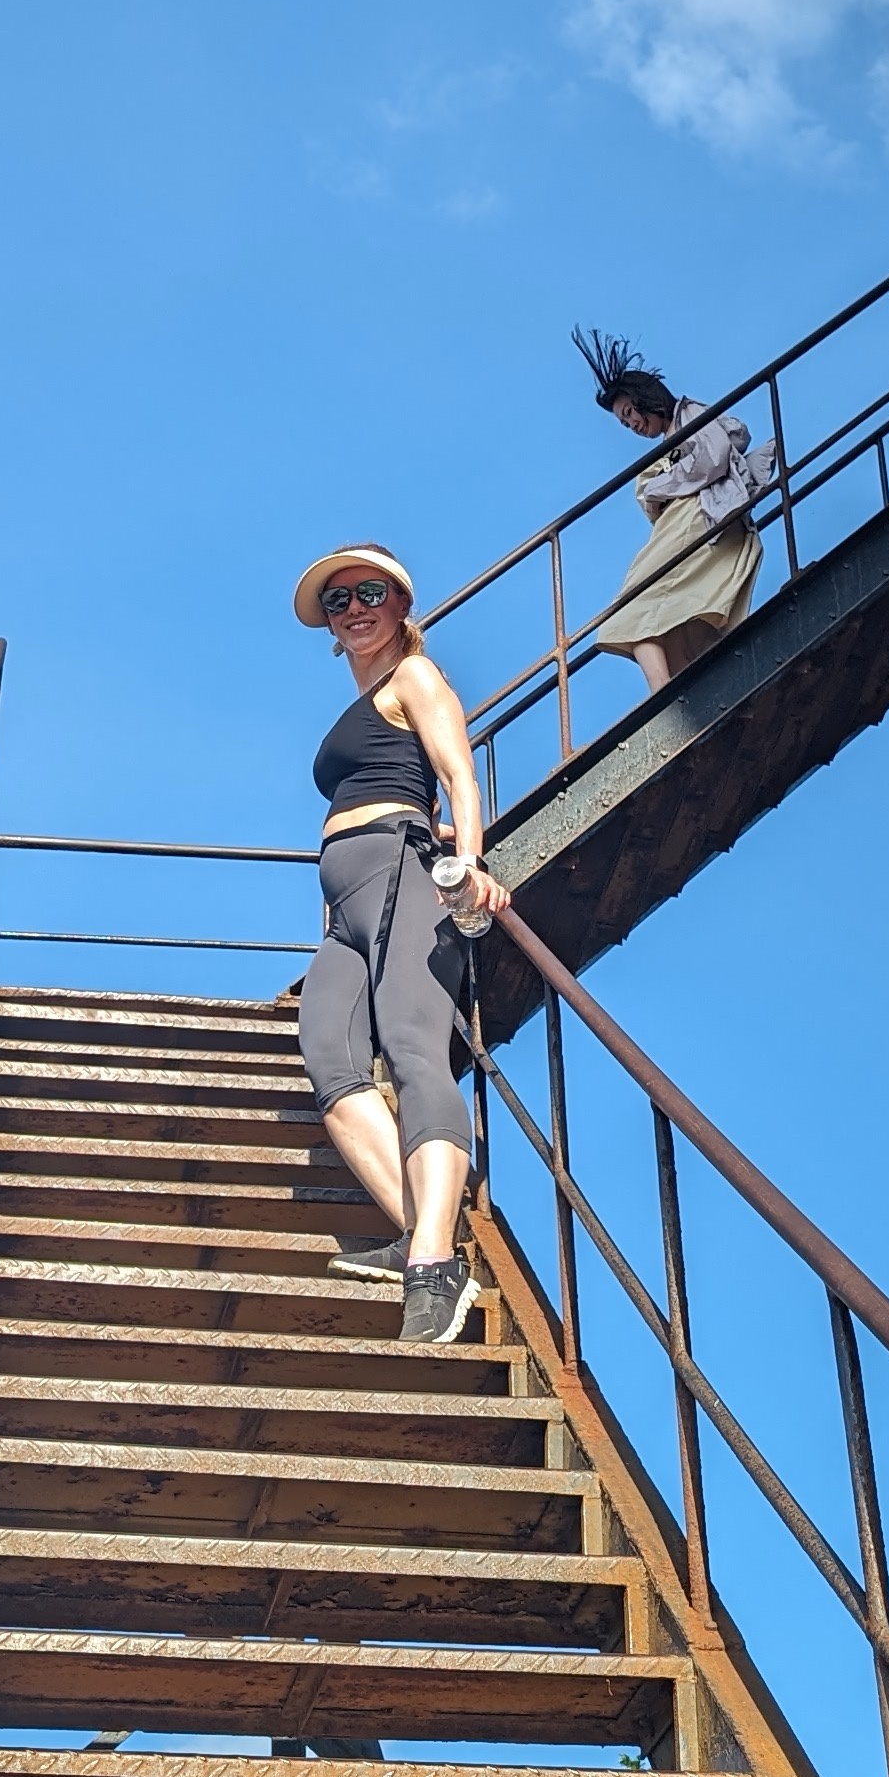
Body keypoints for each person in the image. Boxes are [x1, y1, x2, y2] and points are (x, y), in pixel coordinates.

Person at [290, 541, 511, 1346]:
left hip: (399, 872)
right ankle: (427, 1231)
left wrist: (473, 864)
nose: (354, 609)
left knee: (415, 1052)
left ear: (400, 604)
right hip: (344, 902)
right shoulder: (362, 699)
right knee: (330, 1056)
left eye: (369, 592)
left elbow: (459, 773)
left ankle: (430, 1265)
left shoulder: (415, 676)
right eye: (339, 602)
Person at [571, 329, 779, 694]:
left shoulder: (691, 415)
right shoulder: (668, 445)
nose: (631, 424)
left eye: (630, 412)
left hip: (697, 520)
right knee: (680, 624)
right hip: (689, 524)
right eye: (623, 422)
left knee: (635, 606)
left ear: (645, 398)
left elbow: (713, 458)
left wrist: (657, 487)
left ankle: (661, 694)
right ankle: (682, 695)